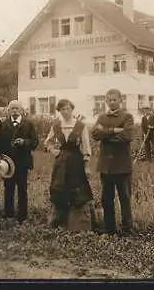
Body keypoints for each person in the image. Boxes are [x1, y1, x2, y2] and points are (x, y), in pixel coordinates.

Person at [44, 99, 94, 231]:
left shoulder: (80, 126)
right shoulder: (56, 125)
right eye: (62, 109)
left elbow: (86, 146)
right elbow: (47, 141)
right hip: (61, 162)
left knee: (77, 190)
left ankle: (78, 224)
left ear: (72, 109)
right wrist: (53, 150)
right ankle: (61, 221)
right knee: (60, 189)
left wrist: (86, 165)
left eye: (68, 108)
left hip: (76, 162)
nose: (65, 111)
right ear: (59, 111)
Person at [91, 88, 134, 235]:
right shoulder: (102, 117)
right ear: (106, 101)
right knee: (106, 198)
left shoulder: (127, 116)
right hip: (106, 166)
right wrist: (114, 131)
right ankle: (109, 229)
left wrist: (106, 133)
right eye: (109, 100)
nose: (112, 102)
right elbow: (95, 134)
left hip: (122, 166)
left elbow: (127, 136)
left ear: (120, 100)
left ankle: (127, 229)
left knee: (125, 198)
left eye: (115, 99)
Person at [0, 100, 38, 223]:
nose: (15, 110)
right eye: (12, 108)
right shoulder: (3, 124)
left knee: (22, 189)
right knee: (8, 188)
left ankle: (22, 216)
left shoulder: (28, 124)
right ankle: (9, 214)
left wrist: (24, 142)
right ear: (8, 110)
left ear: (21, 110)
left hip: (22, 163)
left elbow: (35, 143)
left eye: (17, 108)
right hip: (7, 164)